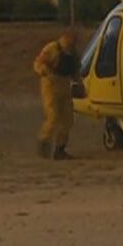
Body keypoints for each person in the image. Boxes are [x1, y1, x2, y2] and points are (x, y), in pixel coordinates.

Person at [34, 29, 81, 160]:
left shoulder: (73, 53)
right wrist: (43, 71)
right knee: (53, 116)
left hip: (65, 85)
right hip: (50, 85)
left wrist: (80, 85)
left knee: (67, 120)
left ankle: (60, 149)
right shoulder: (52, 49)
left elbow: (75, 71)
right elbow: (38, 63)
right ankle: (44, 142)